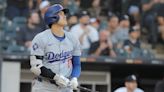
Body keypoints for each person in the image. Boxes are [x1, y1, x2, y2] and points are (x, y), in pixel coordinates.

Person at [30, 4, 81, 92]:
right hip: (44, 87)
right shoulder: (40, 38)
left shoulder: (73, 38)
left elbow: (76, 64)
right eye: (61, 14)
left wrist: (74, 78)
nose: (65, 16)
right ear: (52, 17)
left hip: (65, 87)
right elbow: (36, 67)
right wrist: (56, 77)